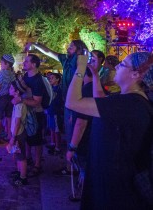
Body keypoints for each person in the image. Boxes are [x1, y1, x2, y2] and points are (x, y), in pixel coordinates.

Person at [66, 51, 153, 209]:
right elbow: (101, 100)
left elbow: (72, 102)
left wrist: (80, 68)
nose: (118, 66)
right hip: (112, 181)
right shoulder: (131, 100)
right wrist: (96, 76)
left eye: (123, 64)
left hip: (115, 191)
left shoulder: (129, 105)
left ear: (135, 74)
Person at [25, 40, 88, 175]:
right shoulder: (65, 59)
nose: (68, 47)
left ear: (79, 49)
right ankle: (70, 166)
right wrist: (35, 45)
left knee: (73, 133)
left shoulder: (81, 60)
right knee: (68, 131)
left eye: (71, 46)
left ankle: (74, 167)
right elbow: (48, 51)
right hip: (67, 101)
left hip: (76, 101)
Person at [66, 50, 105, 202]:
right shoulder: (93, 88)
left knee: (85, 171)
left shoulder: (86, 90)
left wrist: (72, 147)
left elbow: (81, 123)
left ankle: (83, 196)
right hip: (92, 139)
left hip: (85, 141)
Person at [15, 54, 47, 177]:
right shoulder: (26, 76)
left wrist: (21, 100)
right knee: (27, 138)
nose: (24, 63)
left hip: (36, 113)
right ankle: (28, 158)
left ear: (34, 64)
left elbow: (37, 102)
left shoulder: (38, 80)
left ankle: (38, 165)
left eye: (27, 61)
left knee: (37, 140)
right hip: (26, 113)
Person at [7, 79, 28, 186]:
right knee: (18, 154)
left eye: (11, 88)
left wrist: (13, 137)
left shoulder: (19, 105)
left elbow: (18, 122)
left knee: (21, 156)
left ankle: (23, 177)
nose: (9, 89)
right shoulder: (17, 103)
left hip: (19, 133)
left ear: (17, 92)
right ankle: (19, 172)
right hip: (17, 133)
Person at [0, 54, 16, 144]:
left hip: (1, 97)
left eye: (1, 62)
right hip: (9, 97)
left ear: (7, 64)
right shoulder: (12, 73)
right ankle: (9, 135)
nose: (0, 64)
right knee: (8, 117)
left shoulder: (2, 73)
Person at [46, 72, 63, 154]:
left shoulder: (58, 89)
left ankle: (58, 147)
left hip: (56, 112)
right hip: (50, 111)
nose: (50, 79)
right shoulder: (52, 88)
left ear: (57, 79)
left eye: (52, 78)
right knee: (52, 128)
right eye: (50, 78)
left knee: (56, 130)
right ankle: (53, 143)